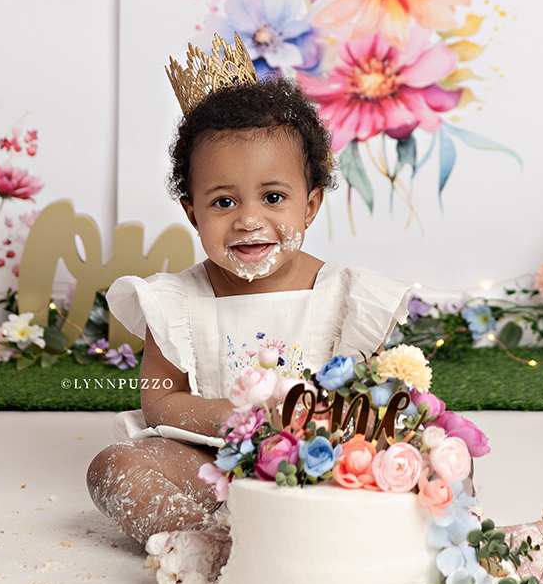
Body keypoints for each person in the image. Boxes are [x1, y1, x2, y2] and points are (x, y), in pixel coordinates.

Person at [86, 43, 409, 550]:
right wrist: (246, 420)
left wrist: (322, 426)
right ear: (193, 214)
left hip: (319, 460)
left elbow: (379, 400)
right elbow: (159, 402)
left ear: (311, 205)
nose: (248, 219)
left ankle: (341, 532)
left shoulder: (349, 296)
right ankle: (205, 547)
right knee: (114, 465)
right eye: (223, 201)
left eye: (273, 197)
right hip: (213, 464)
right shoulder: (176, 302)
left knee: (430, 449)